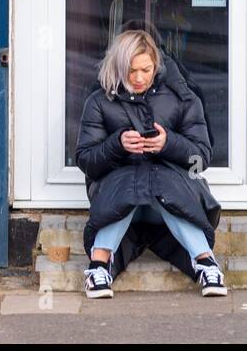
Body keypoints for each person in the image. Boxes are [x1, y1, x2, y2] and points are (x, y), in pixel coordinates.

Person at [76, 29, 225, 299]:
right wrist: (117, 145)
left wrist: (169, 145)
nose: (139, 77)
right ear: (119, 67)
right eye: (131, 70)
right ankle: (99, 266)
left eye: (146, 69)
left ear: (156, 64)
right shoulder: (99, 101)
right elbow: (87, 161)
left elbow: (200, 159)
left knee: (160, 182)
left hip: (168, 203)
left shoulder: (182, 97)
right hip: (120, 203)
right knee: (130, 183)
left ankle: (206, 263)